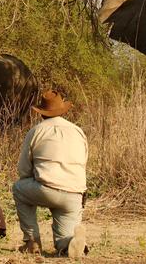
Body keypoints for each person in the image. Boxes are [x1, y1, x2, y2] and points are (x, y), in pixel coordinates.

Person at [12, 90, 89, 257]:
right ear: (63, 110)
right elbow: (83, 162)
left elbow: (23, 170)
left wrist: (38, 176)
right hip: (74, 194)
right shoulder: (77, 131)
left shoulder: (37, 131)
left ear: (42, 113)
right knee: (63, 237)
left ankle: (31, 241)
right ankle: (69, 243)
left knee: (18, 188)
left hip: (46, 189)